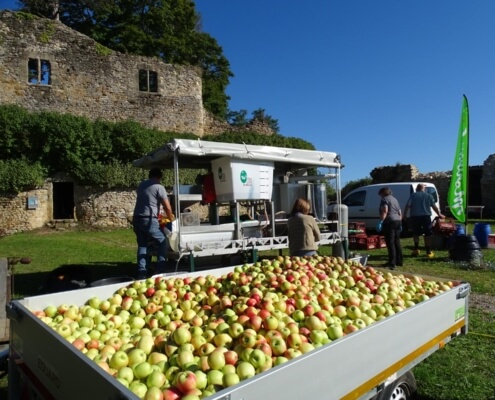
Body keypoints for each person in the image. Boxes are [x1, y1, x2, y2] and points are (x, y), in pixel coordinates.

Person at [132, 168, 175, 279]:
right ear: (159, 177)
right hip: (148, 219)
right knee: (162, 241)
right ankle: (161, 269)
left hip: (137, 218)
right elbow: (167, 206)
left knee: (142, 245)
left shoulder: (142, 185)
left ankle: (142, 273)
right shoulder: (159, 187)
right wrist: (171, 219)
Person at [403, 183, 445, 258]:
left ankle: (416, 249)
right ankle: (428, 252)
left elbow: (408, 206)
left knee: (416, 233)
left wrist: (405, 215)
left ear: (416, 189)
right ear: (424, 189)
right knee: (427, 234)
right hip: (426, 217)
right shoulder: (429, 196)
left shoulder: (413, 195)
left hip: (415, 216)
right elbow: (434, 206)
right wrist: (439, 214)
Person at [377, 187, 403, 269]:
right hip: (398, 221)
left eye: (380, 194)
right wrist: (400, 222)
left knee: (390, 242)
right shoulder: (395, 199)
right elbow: (400, 212)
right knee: (397, 241)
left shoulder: (384, 199)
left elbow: (385, 210)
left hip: (390, 222)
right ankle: (399, 261)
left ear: (382, 193)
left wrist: (381, 221)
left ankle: (392, 263)